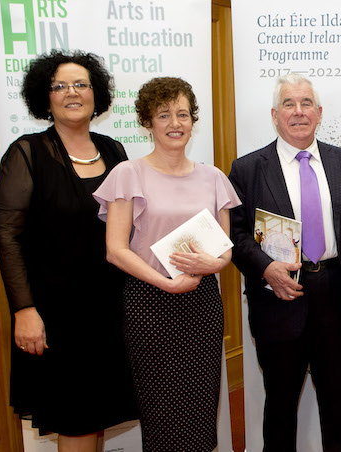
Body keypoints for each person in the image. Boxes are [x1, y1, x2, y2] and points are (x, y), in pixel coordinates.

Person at [0, 49, 136, 451]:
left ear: (97, 94)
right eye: (59, 86)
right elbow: (7, 235)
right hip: (55, 316)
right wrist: (24, 310)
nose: (71, 93)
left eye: (80, 84)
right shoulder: (27, 152)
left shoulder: (114, 151)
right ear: (45, 96)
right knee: (76, 422)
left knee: (98, 417)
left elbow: (130, 228)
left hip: (111, 309)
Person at [229, 74, 341, 452]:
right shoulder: (247, 168)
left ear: (319, 112)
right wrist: (265, 268)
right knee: (280, 403)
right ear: (275, 115)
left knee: (337, 400)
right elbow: (236, 235)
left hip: (336, 292)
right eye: (290, 105)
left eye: (306, 103)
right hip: (278, 296)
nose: (299, 112)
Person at [94, 77, 241, 451]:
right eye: (164, 115)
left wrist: (215, 262)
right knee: (162, 415)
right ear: (148, 122)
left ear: (193, 120)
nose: (175, 123)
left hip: (202, 302)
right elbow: (115, 250)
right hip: (149, 304)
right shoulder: (128, 174)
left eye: (183, 114)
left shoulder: (213, 177)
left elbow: (226, 250)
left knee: (201, 413)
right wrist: (167, 284)